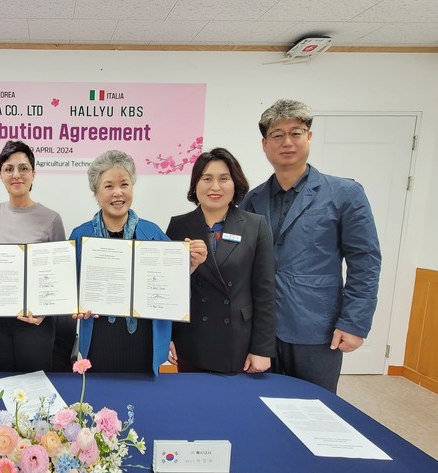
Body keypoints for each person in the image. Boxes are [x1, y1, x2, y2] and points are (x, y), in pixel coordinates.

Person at [240, 99, 382, 393]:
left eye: (296, 132)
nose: (287, 142)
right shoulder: (253, 200)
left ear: (309, 136)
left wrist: (355, 322)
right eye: (277, 135)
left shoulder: (345, 193)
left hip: (317, 329)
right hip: (261, 330)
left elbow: (365, 261)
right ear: (265, 144)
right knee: (259, 403)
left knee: (315, 408)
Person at [69, 150, 205, 374]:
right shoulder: (80, 236)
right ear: (96, 192)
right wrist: (74, 308)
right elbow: (69, 290)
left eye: (124, 184)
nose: (118, 192)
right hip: (99, 341)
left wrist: (190, 266)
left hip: (145, 341)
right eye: (108, 186)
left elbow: (171, 289)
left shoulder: (153, 233)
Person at [166, 147, 275, 374]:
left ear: (235, 184)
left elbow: (265, 292)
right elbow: (167, 289)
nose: (215, 187)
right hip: (191, 339)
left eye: (224, 179)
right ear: (195, 184)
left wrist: (262, 348)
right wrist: (167, 337)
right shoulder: (178, 225)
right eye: (207, 179)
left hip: (238, 340)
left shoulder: (255, 225)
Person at [0, 140, 65, 372]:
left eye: (23, 168)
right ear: (0, 174)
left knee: (34, 386)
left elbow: (59, 276)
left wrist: (45, 311)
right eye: (9, 169)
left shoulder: (51, 219)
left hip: (34, 322)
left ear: (33, 173)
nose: (16, 174)